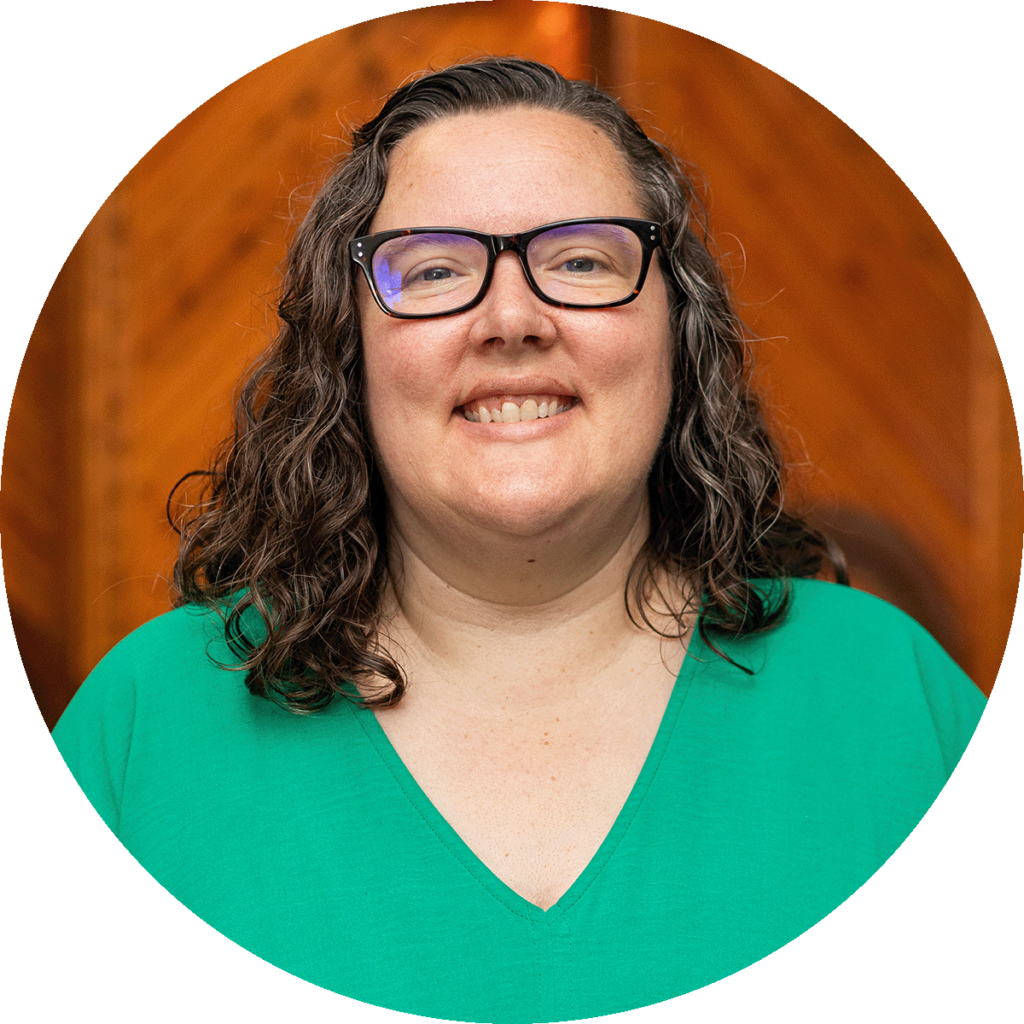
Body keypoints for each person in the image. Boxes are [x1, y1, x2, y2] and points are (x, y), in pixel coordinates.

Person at [50, 57, 988, 1018]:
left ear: (679, 328)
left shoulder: (894, 701)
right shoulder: (143, 727)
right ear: (348, 346)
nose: (511, 319)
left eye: (582, 260)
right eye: (435, 269)